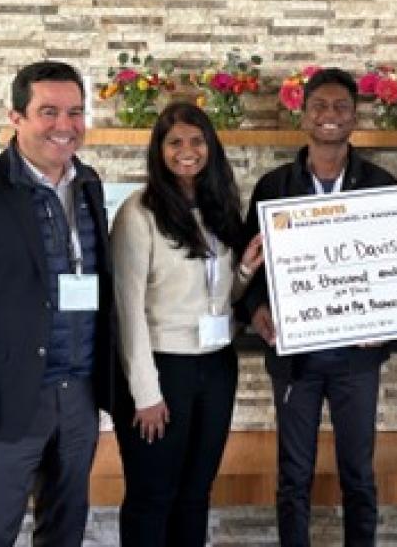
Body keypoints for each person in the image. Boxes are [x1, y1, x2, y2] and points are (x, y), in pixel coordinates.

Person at [0, 60, 115, 547]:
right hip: (3, 399)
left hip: (79, 395)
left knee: (64, 530)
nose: (64, 125)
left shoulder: (89, 182)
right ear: (15, 117)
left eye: (75, 112)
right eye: (48, 111)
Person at [241, 67, 397, 546]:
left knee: (358, 475)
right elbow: (251, 265)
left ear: (355, 117)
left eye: (340, 108)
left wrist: (390, 321)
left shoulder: (381, 184)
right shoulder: (273, 186)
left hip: (357, 359)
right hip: (295, 360)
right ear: (303, 114)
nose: (330, 116)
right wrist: (255, 310)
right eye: (320, 107)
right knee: (293, 477)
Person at [110, 102, 263, 546]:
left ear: (211, 147)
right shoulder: (138, 213)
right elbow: (128, 310)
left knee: (196, 494)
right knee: (152, 496)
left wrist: (246, 272)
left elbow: (222, 298)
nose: (187, 151)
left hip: (216, 366)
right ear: (158, 150)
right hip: (163, 369)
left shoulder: (218, 208)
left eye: (197, 141)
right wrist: (146, 393)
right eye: (174, 142)